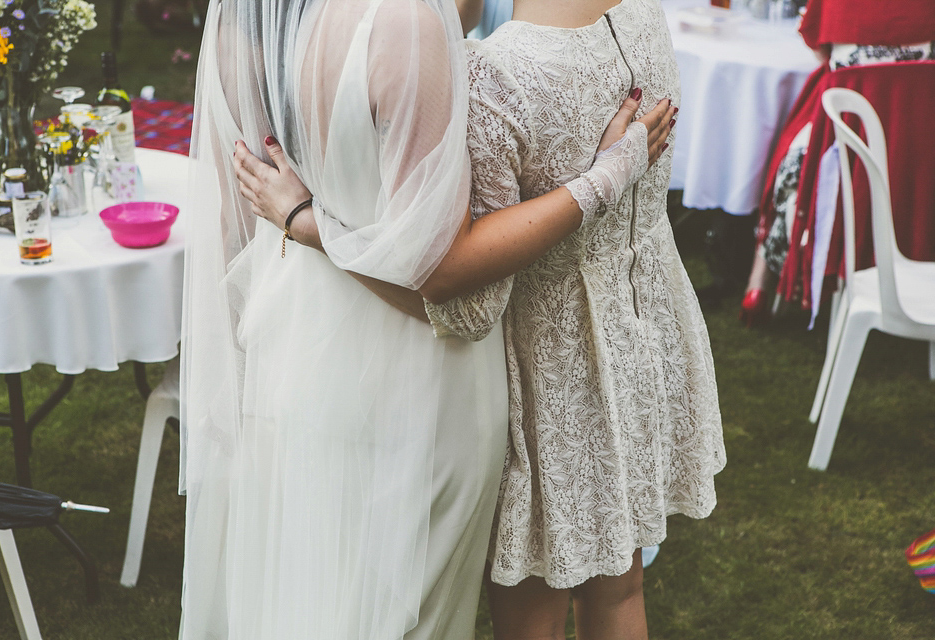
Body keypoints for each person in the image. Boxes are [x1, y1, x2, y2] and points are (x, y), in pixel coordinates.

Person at [184, 0, 673, 639]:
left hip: (292, 343)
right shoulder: (412, 24)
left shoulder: (256, 20)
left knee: (308, 596)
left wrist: (301, 225)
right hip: (411, 371)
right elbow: (452, 290)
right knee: (404, 616)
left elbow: (234, 211)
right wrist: (605, 176)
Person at [740, 0, 935, 327]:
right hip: (917, 144)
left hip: (847, 137)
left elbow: (821, 50)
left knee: (797, 158)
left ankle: (759, 283)